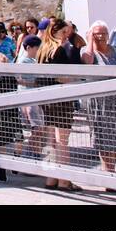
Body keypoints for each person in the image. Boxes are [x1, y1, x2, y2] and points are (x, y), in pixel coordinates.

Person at [80, 19, 116, 180]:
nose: (101, 37)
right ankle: (108, 173)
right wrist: (90, 40)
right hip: (99, 102)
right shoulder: (87, 50)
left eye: (104, 33)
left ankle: (112, 170)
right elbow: (87, 61)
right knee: (103, 137)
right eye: (97, 34)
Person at [36, 18, 79, 190]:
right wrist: (73, 80)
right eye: (63, 33)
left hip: (47, 99)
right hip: (61, 98)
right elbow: (60, 76)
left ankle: (50, 179)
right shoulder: (58, 50)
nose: (65, 36)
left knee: (50, 140)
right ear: (55, 32)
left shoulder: (42, 50)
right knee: (62, 140)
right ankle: (63, 180)